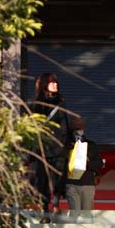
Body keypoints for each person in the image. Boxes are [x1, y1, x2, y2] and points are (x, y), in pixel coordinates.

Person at [29, 72, 71, 219]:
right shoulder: (35, 105)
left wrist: (67, 144)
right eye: (52, 82)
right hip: (42, 149)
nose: (56, 85)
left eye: (56, 83)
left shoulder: (61, 103)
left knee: (59, 178)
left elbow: (66, 126)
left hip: (58, 148)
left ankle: (55, 203)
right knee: (43, 181)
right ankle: (45, 208)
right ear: (44, 85)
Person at [66, 116, 103, 213]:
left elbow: (99, 164)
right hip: (71, 183)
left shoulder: (91, 145)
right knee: (75, 213)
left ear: (84, 129)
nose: (78, 131)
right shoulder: (66, 145)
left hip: (87, 184)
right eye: (75, 129)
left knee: (86, 214)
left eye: (79, 128)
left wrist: (85, 163)